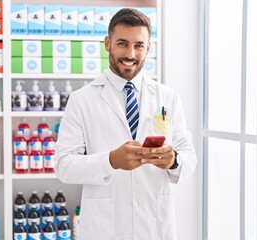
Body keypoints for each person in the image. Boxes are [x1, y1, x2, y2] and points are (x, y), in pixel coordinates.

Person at [55, 8, 197, 240]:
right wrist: (110, 161)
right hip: (104, 228)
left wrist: (173, 160)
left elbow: (189, 157)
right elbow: (63, 165)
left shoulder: (167, 97)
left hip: (154, 225)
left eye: (139, 45)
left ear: (148, 48)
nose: (130, 53)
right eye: (122, 43)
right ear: (107, 43)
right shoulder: (82, 99)